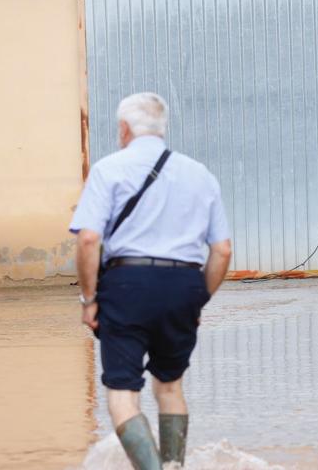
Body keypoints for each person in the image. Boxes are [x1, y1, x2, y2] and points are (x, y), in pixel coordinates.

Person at [70, 93, 233, 470]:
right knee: (169, 386)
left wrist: (89, 299)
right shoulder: (200, 174)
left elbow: (89, 239)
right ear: (162, 129)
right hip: (185, 285)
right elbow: (222, 251)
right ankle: (175, 465)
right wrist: (197, 301)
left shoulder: (109, 169)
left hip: (127, 284)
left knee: (122, 392)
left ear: (124, 129)